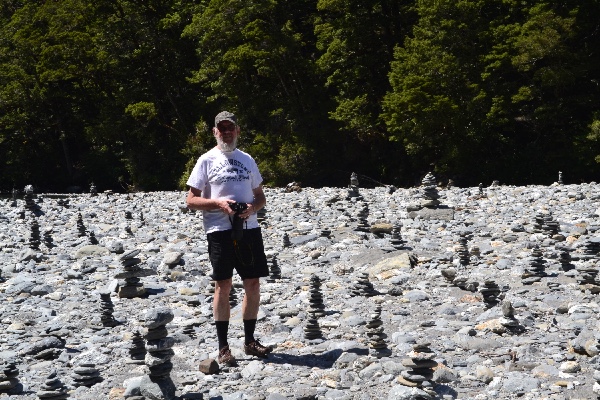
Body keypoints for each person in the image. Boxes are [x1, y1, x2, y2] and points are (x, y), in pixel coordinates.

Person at [185, 111, 273, 366]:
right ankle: (223, 347)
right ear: (215, 131)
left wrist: (252, 209)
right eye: (221, 128)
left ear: (237, 130)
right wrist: (218, 203)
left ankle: (249, 340)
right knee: (223, 285)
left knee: (253, 284)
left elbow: (260, 196)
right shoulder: (206, 160)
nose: (226, 132)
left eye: (230, 128)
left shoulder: (247, 159)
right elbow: (191, 200)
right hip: (219, 232)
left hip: (249, 229)